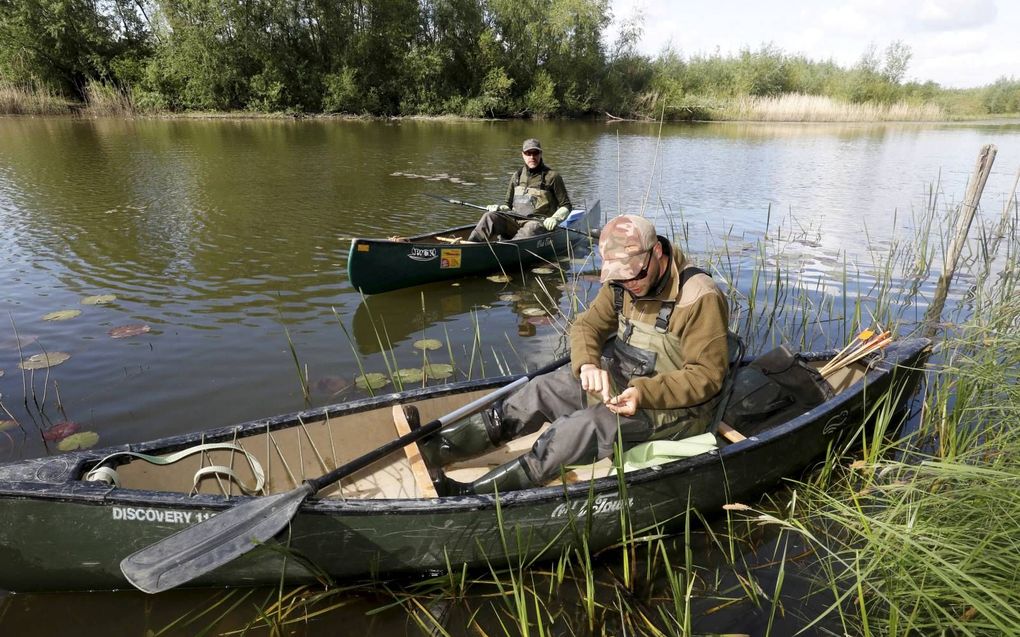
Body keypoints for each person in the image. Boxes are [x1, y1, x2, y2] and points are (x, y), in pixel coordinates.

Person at [417, 214, 732, 495]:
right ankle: (439, 449)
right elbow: (587, 327)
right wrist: (588, 365)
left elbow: (707, 376)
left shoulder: (699, 296)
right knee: (538, 390)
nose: (629, 285)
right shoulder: (623, 282)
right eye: (620, 278)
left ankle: (470, 494)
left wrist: (642, 393)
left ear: (657, 253)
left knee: (579, 430)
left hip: (676, 407)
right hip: (621, 380)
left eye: (635, 275)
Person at [467, 138, 572, 243]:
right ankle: (470, 245)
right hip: (514, 221)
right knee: (489, 216)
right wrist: (498, 208)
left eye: (535, 153)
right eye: (528, 153)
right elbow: (507, 205)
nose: (532, 157)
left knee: (532, 226)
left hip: (538, 225)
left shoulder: (552, 177)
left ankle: (510, 248)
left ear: (540, 154)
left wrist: (555, 218)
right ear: (523, 155)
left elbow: (566, 205)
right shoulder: (516, 176)